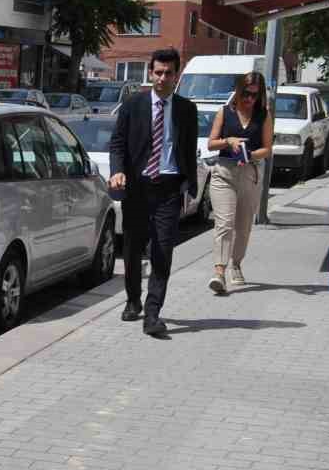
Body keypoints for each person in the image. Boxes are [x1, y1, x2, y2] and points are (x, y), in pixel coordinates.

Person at [108, 47, 198, 339]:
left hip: (169, 188)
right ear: (150, 73)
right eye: (157, 72)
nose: (162, 78)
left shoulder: (187, 109)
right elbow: (118, 143)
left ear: (176, 75)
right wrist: (117, 170)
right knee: (132, 250)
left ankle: (153, 313)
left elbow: (186, 149)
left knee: (162, 251)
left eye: (168, 73)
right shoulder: (133, 105)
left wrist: (189, 185)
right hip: (137, 187)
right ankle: (133, 299)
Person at [205, 72, 273, 295]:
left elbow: (267, 148)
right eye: (246, 93)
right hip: (224, 174)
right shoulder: (225, 112)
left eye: (255, 95)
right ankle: (219, 272)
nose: (249, 99)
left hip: (249, 175)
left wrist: (251, 155)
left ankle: (236, 263)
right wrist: (229, 141)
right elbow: (211, 144)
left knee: (243, 228)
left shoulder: (263, 115)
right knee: (224, 224)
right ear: (238, 90)